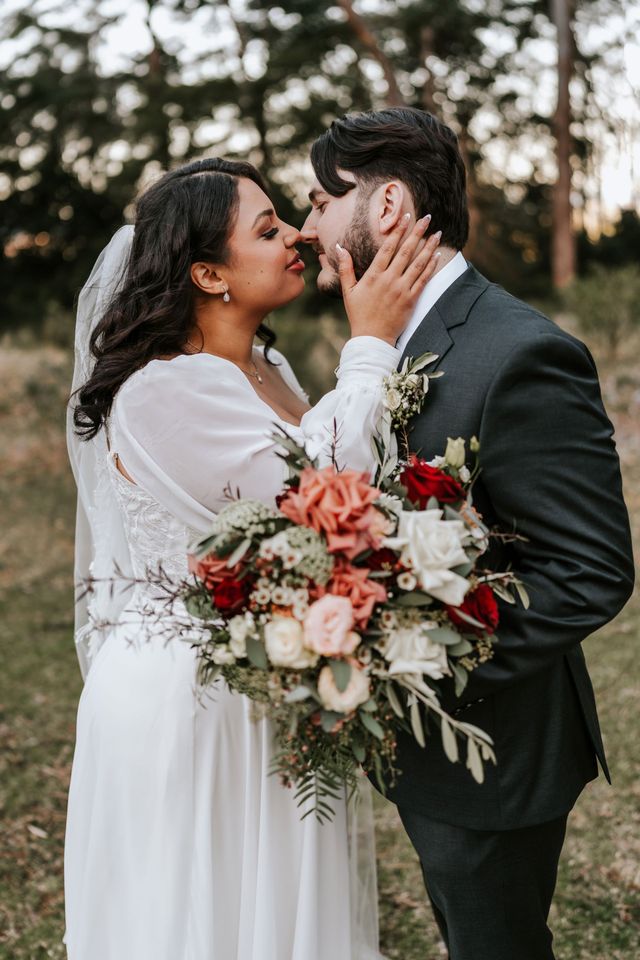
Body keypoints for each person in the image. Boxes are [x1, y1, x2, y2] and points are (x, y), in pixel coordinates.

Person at [64, 156, 441, 960]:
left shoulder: (262, 370)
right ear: (207, 273)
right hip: (190, 701)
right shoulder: (165, 386)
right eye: (267, 230)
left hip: (257, 676)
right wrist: (369, 345)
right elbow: (310, 497)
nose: (298, 236)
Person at [301, 107, 635, 960]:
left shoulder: (518, 350)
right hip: (427, 754)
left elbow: (591, 569)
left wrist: (415, 654)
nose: (306, 231)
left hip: (497, 749)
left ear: (384, 208)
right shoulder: (390, 341)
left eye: (316, 203)